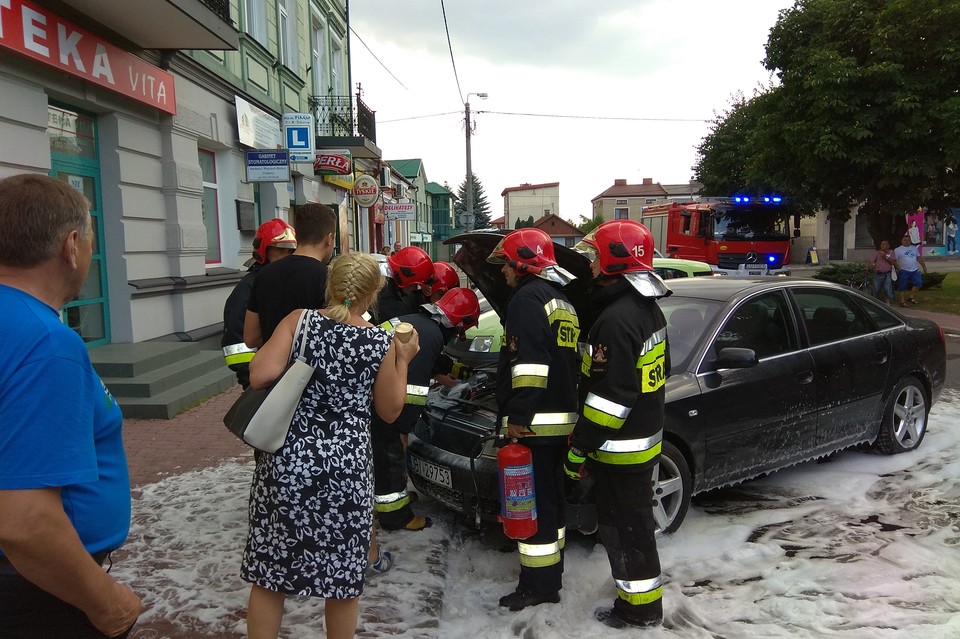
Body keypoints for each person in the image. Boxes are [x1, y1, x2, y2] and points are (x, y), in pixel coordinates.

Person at [242, 252, 419, 639]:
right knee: (342, 578)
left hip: (289, 463)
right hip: (347, 471)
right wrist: (402, 360)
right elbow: (390, 411)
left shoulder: (299, 321)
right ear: (372, 293)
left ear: (331, 285)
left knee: (270, 573)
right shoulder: (379, 341)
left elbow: (259, 375)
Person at [0, 174, 140, 638]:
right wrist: (106, 604)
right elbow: (25, 521)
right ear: (71, 245)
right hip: (39, 591)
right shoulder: (46, 343)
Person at [568, 220, 671, 629]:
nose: (591, 264)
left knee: (627, 532)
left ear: (615, 259)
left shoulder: (616, 319)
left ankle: (639, 610)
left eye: (595, 255)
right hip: (641, 440)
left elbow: (612, 398)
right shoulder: (646, 308)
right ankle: (638, 602)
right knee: (635, 528)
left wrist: (580, 444)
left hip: (620, 448)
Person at [486, 227, 581, 612]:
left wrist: (518, 414)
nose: (502, 273)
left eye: (506, 265)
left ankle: (537, 585)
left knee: (533, 506)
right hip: (560, 422)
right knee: (552, 505)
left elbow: (529, 366)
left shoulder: (526, 300)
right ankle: (551, 573)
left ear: (523, 263)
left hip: (535, 423)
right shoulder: (562, 301)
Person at [372, 288, 480, 531]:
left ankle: (394, 500)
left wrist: (457, 370)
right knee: (391, 456)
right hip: (383, 401)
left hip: (373, 391)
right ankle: (395, 515)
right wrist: (403, 428)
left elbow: (429, 361)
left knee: (383, 456)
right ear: (459, 324)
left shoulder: (418, 322)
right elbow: (413, 390)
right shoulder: (430, 335)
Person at [244, 203, 336, 348]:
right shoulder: (330, 278)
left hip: (274, 366)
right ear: (329, 238)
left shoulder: (263, 275)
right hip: (316, 368)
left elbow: (251, 339)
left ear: (297, 235)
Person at [221, 219, 296, 388]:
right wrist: (252, 378)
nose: (286, 257)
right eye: (280, 251)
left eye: (290, 252)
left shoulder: (288, 281)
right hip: (262, 378)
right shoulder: (247, 288)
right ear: (264, 251)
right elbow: (237, 346)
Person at [370, 245, 435, 324]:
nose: (414, 289)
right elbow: (392, 331)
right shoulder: (390, 302)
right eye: (415, 284)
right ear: (406, 278)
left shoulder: (380, 276)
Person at [894, 233, 927, 307]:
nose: (907, 241)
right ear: (901, 241)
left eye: (908, 240)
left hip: (914, 270)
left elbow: (919, 258)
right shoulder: (898, 250)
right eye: (905, 240)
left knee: (918, 283)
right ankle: (902, 301)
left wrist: (924, 267)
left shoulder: (914, 248)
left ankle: (911, 297)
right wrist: (898, 268)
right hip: (903, 270)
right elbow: (894, 261)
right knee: (902, 286)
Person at [868, 239, 896, 304]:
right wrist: (868, 266)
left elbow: (893, 262)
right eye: (881, 244)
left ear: (888, 246)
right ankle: (874, 302)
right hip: (877, 274)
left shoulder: (891, 252)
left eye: (884, 244)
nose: (882, 246)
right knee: (876, 289)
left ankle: (888, 303)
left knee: (887, 288)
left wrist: (885, 257)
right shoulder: (878, 253)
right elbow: (871, 261)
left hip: (887, 274)